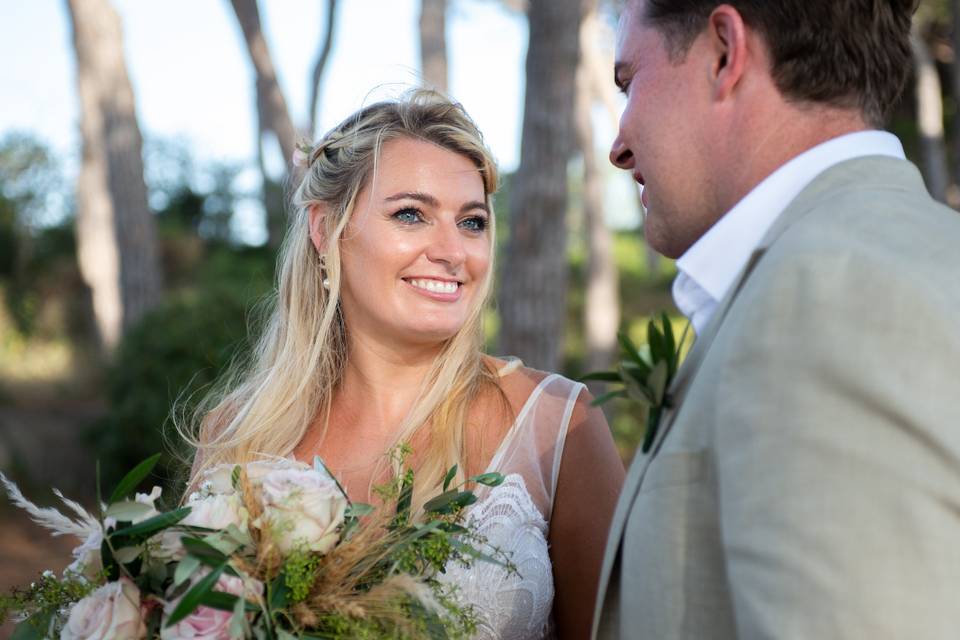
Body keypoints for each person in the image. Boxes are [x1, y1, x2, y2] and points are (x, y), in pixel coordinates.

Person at [185, 89, 624, 640]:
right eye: (412, 215)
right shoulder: (236, 438)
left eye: (471, 222)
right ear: (326, 230)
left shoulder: (561, 425)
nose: (452, 251)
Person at [594, 1, 960, 638]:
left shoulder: (827, 301)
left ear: (724, 52)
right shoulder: (900, 255)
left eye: (629, 83)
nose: (618, 145)